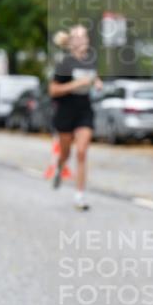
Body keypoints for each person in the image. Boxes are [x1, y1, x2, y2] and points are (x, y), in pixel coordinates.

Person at [49, 25, 101, 211]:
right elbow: (53, 90)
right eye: (77, 37)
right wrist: (76, 84)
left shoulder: (91, 61)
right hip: (65, 112)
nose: (82, 40)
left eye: (84, 37)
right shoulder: (64, 64)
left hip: (84, 111)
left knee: (81, 152)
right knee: (66, 153)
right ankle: (59, 167)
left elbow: (94, 78)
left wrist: (97, 82)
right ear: (71, 43)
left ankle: (79, 196)